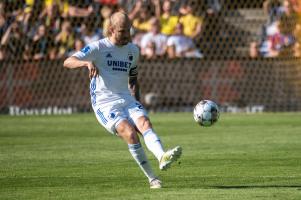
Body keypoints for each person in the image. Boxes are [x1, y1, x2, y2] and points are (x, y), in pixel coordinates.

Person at [63, 12, 182, 189]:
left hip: (126, 98)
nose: (127, 35)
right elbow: (68, 61)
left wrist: (137, 106)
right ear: (111, 30)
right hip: (104, 103)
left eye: (129, 30)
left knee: (145, 123)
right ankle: (152, 178)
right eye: (122, 31)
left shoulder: (133, 50)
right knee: (130, 133)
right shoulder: (98, 47)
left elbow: (133, 80)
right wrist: (86, 63)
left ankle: (162, 156)